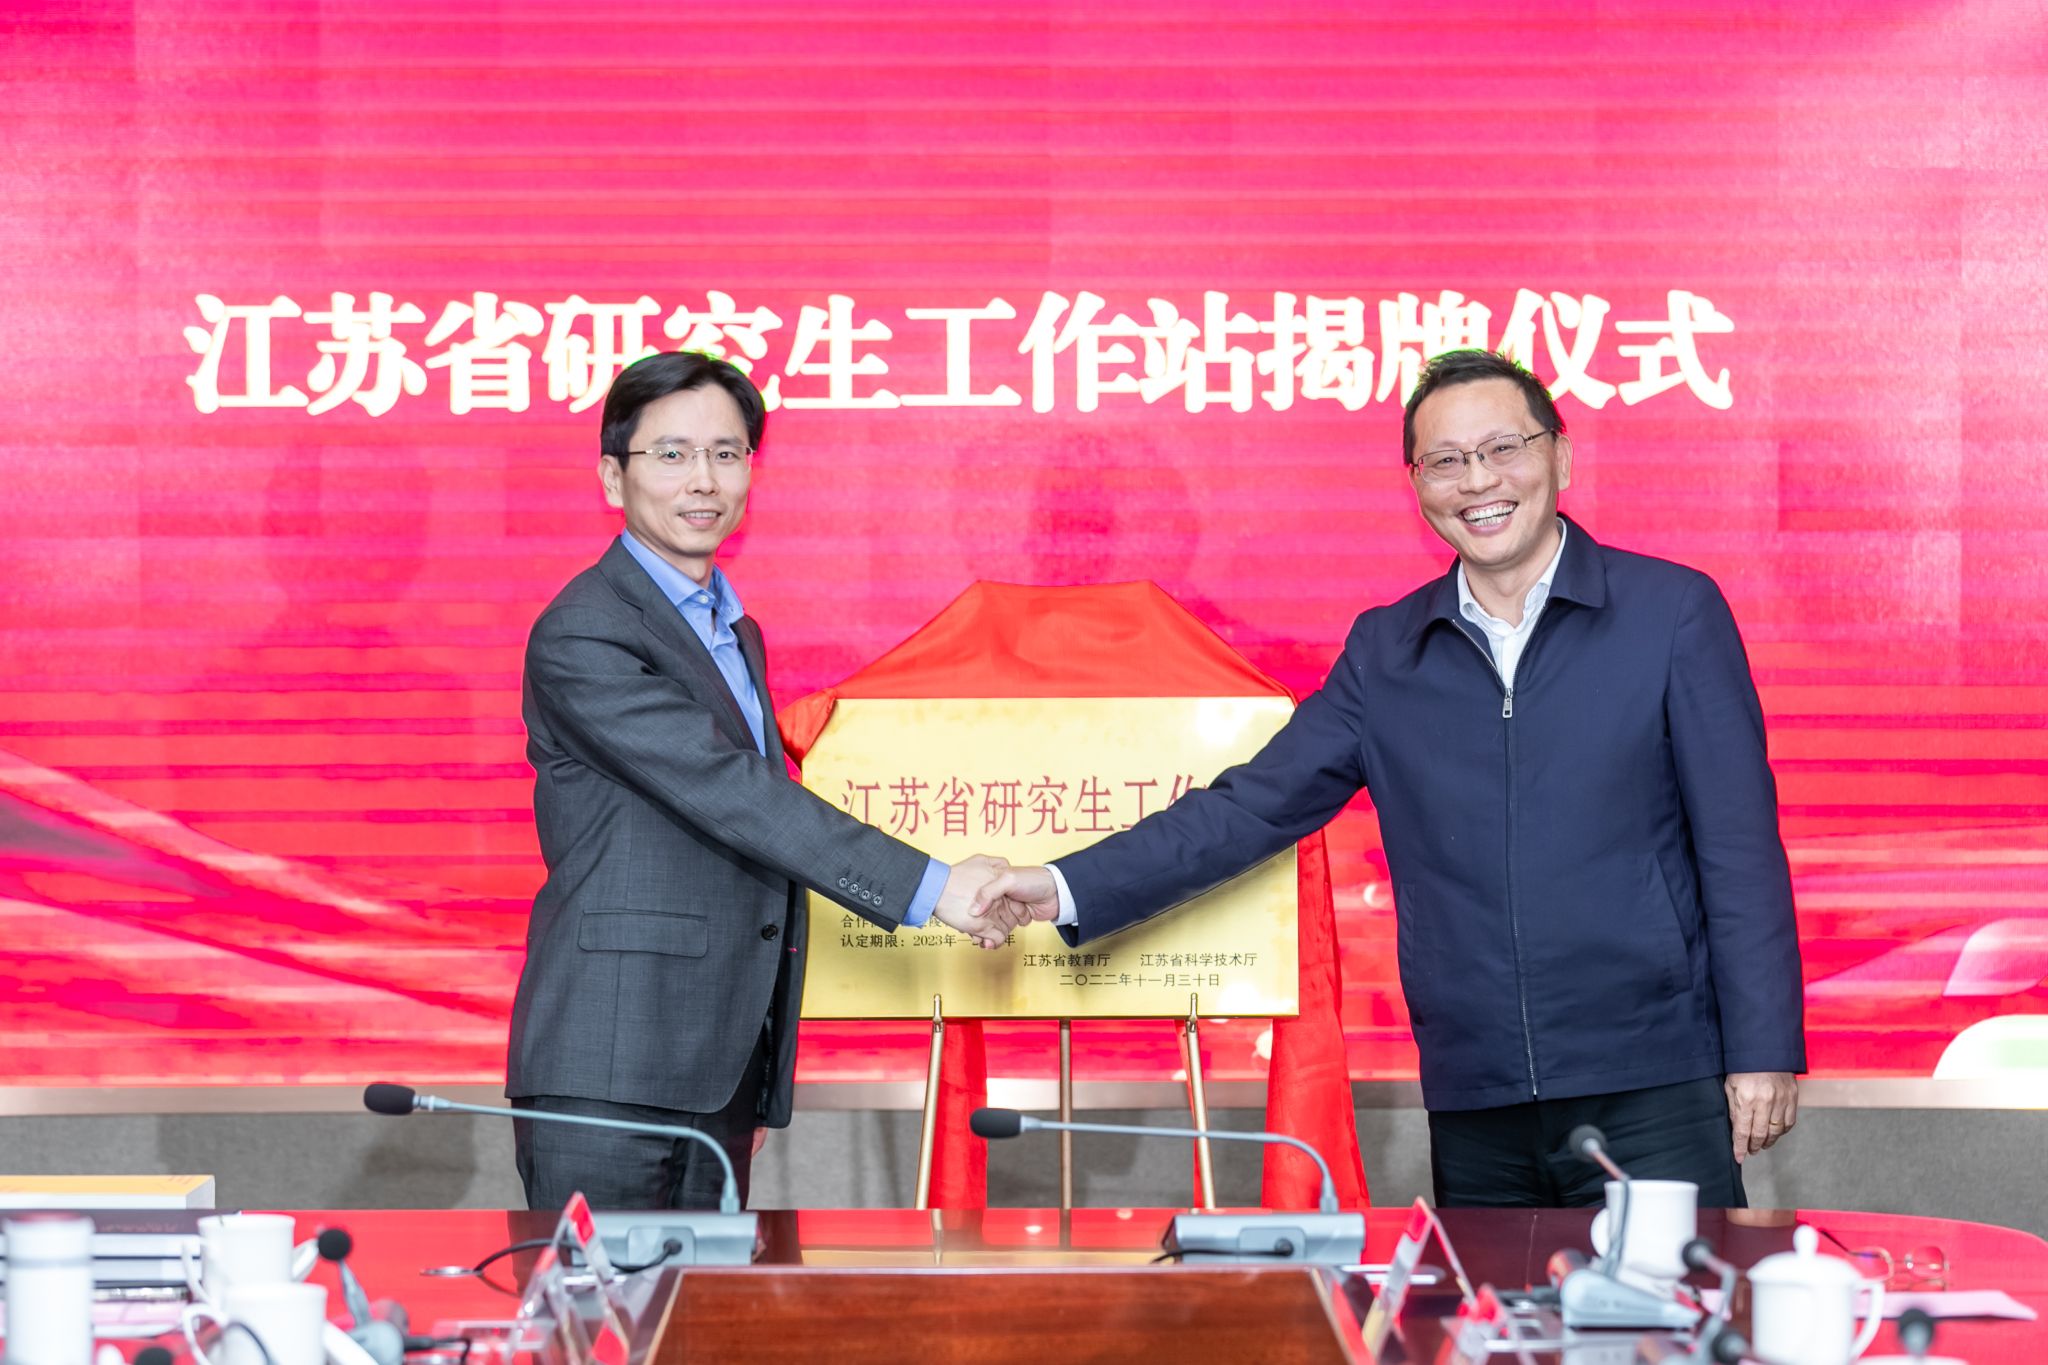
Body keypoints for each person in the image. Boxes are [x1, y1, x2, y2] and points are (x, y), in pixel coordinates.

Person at [974, 349, 1805, 1207]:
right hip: (1475, 1093)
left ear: (1560, 455)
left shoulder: (1671, 613)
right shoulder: (1388, 652)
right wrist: (1060, 883)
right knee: (1482, 1302)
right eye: (1445, 460)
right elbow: (1248, 808)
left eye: (1503, 448)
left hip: (1654, 1080)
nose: (1477, 480)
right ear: (1417, 485)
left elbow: (1739, 849)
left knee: (1670, 1303)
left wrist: (1761, 1049)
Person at [508, 351, 1011, 1211]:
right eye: (672, 454)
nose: (703, 480)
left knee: (707, 1299)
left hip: (717, 1069)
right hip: (611, 1064)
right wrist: (933, 887)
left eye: (727, 453)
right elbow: (733, 792)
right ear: (612, 476)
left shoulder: (733, 630)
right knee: (601, 1301)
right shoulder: (586, 630)